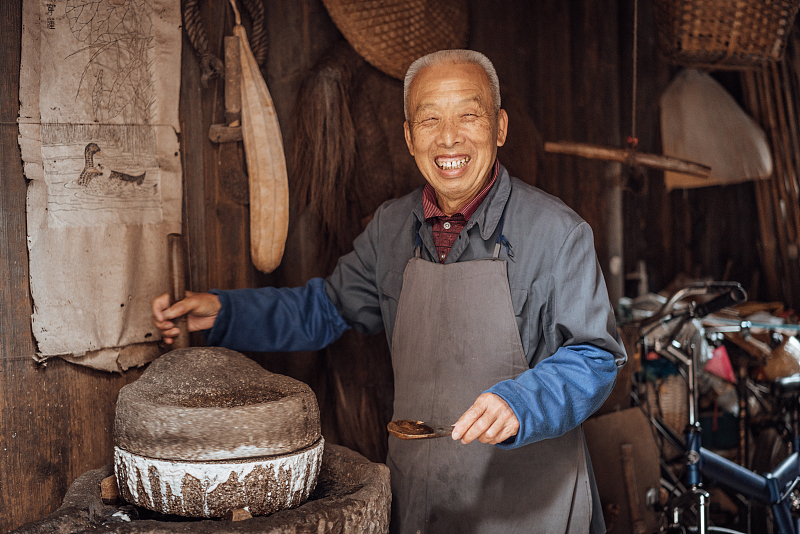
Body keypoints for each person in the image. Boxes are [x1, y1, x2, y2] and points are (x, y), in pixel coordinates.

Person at [153, 49, 627, 534]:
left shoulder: (557, 232)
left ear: (499, 127)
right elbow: (326, 308)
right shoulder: (392, 228)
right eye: (429, 120)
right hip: (420, 498)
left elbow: (595, 357)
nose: (449, 138)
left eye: (469, 114)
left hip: (531, 506)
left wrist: (522, 402)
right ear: (408, 136)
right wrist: (223, 313)